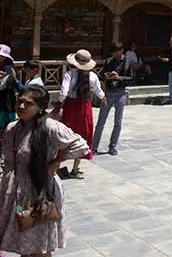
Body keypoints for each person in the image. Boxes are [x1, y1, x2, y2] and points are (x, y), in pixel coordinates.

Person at [0, 84, 90, 256]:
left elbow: (81, 146)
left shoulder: (49, 127)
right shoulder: (13, 128)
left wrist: (57, 160)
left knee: (40, 246)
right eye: (20, 101)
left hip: (40, 191)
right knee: (23, 243)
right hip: (15, 192)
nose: (21, 106)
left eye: (28, 103)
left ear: (40, 107)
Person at [54, 49, 105, 179]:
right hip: (84, 107)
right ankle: (75, 168)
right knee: (83, 135)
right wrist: (104, 98)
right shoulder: (92, 76)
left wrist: (59, 104)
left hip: (71, 107)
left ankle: (57, 166)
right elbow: (99, 92)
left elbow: (63, 93)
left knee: (65, 135)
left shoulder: (69, 74)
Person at [93, 42, 131, 156]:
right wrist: (107, 76)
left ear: (121, 51)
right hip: (109, 92)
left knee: (118, 122)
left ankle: (112, 146)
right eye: (113, 52)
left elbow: (132, 78)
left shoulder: (127, 62)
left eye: (116, 52)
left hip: (120, 93)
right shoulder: (108, 62)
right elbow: (102, 76)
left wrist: (119, 78)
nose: (114, 54)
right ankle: (94, 146)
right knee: (101, 121)